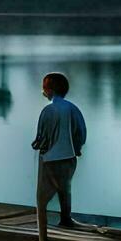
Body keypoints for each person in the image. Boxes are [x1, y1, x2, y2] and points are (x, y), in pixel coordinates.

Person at [31, 71, 86, 232]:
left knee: (43, 196)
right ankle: (65, 219)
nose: (43, 91)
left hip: (50, 160)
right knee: (65, 190)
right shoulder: (72, 108)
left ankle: (42, 226)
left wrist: (39, 146)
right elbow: (81, 133)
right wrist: (77, 148)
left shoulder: (48, 111)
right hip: (69, 158)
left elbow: (42, 138)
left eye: (44, 88)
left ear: (50, 91)